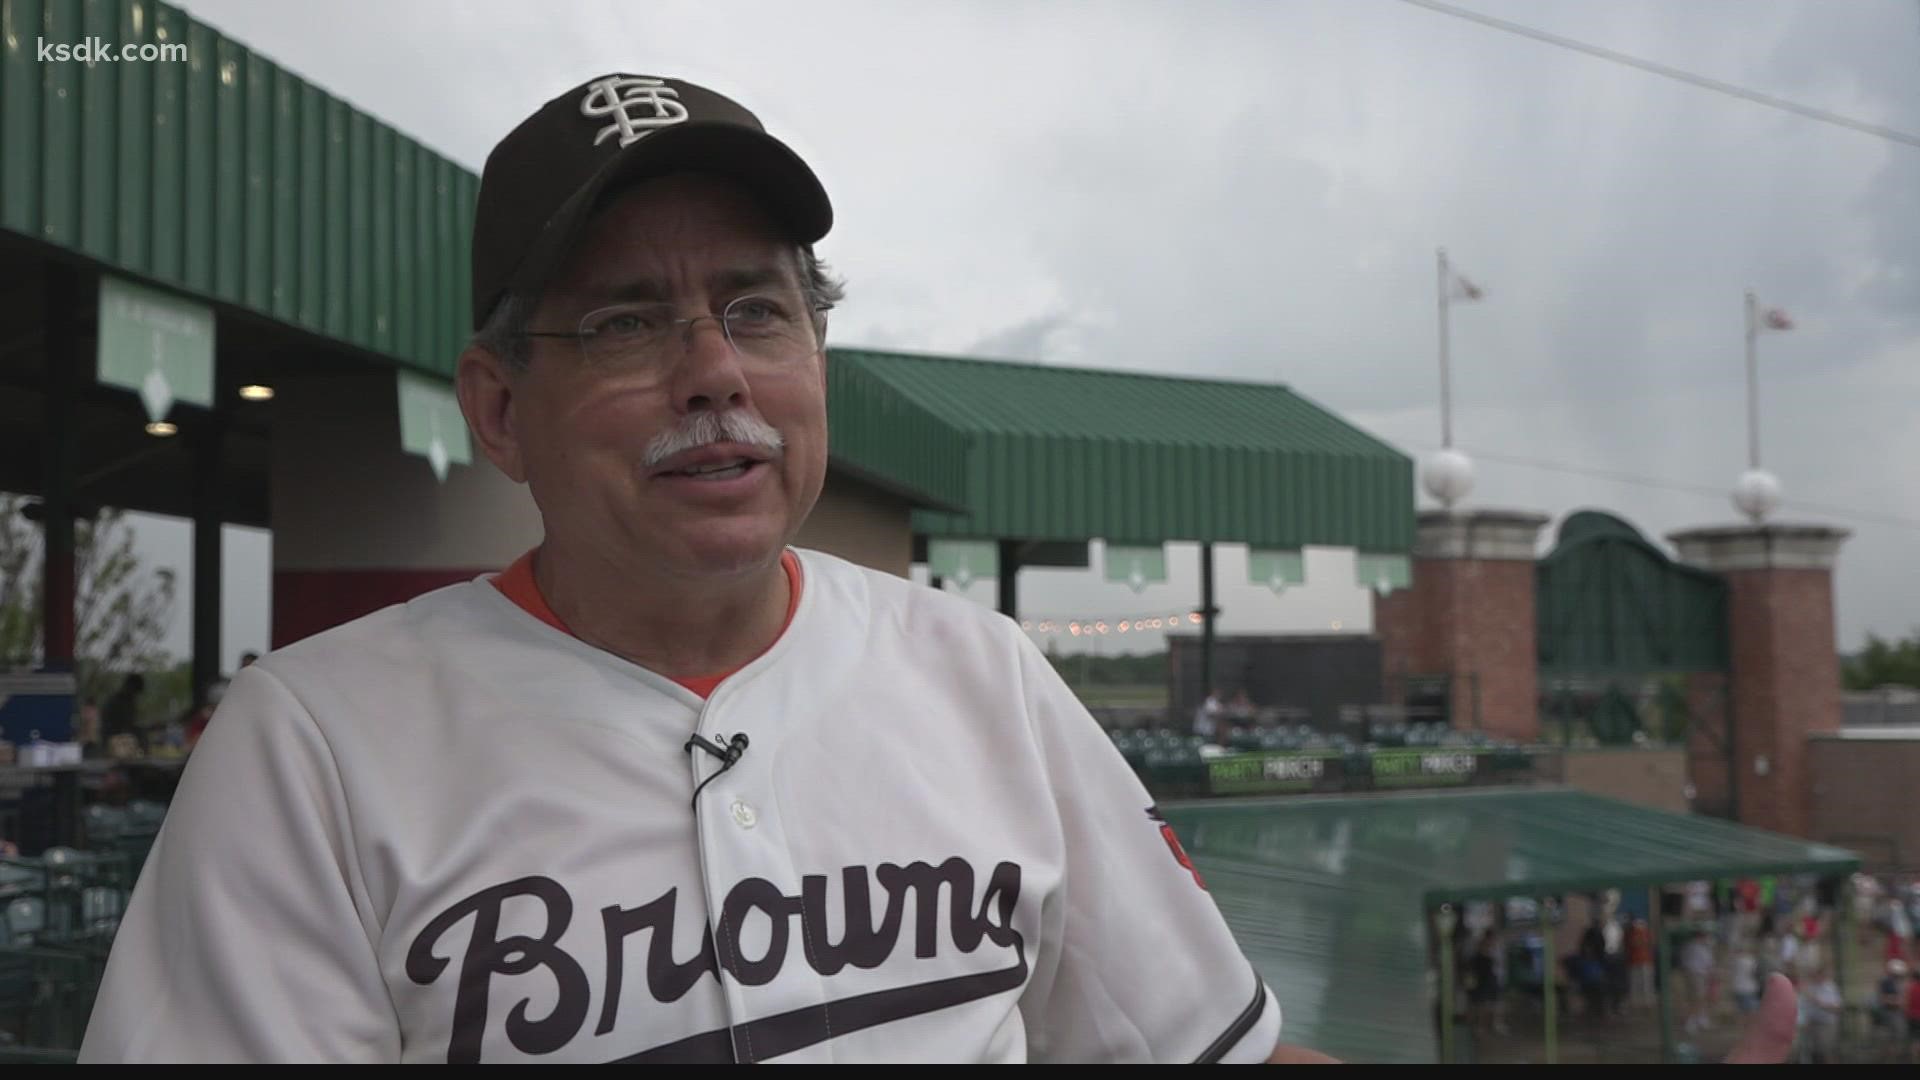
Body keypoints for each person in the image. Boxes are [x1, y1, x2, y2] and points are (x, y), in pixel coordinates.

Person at [74, 72, 1800, 1069]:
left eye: (758, 308)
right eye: (627, 322)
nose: (713, 373)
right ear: (502, 409)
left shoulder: (983, 676)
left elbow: (1217, 1053)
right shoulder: (307, 746)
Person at [100, 673, 146, 756]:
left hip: (123, 738)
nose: (135, 696)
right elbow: (124, 725)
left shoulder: (129, 701)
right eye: (135, 692)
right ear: (130, 686)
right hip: (115, 740)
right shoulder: (117, 701)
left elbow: (131, 724)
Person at [1626, 916, 1656, 1011]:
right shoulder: (1630, 933)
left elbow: (1649, 944)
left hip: (1645, 961)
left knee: (1646, 983)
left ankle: (1647, 1002)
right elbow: (1632, 944)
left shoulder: (1645, 933)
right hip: (1635, 961)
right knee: (1635, 984)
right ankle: (1636, 1003)